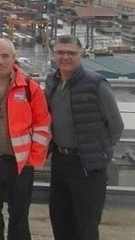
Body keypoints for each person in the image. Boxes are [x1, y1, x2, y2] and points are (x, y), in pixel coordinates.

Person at [0, 38, 51, 240]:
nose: (0, 61)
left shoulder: (30, 88)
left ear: (13, 58)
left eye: (5, 56)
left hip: (20, 165)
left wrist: (33, 159)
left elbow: (42, 125)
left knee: (19, 217)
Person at [45, 35, 124, 240]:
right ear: (54, 55)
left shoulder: (96, 84)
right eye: (60, 52)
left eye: (71, 53)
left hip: (87, 166)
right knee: (60, 220)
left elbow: (116, 125)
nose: (65, 57)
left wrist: (100, 153)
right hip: (60, 161)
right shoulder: (52, 82)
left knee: (86, 226)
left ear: (81, 55)